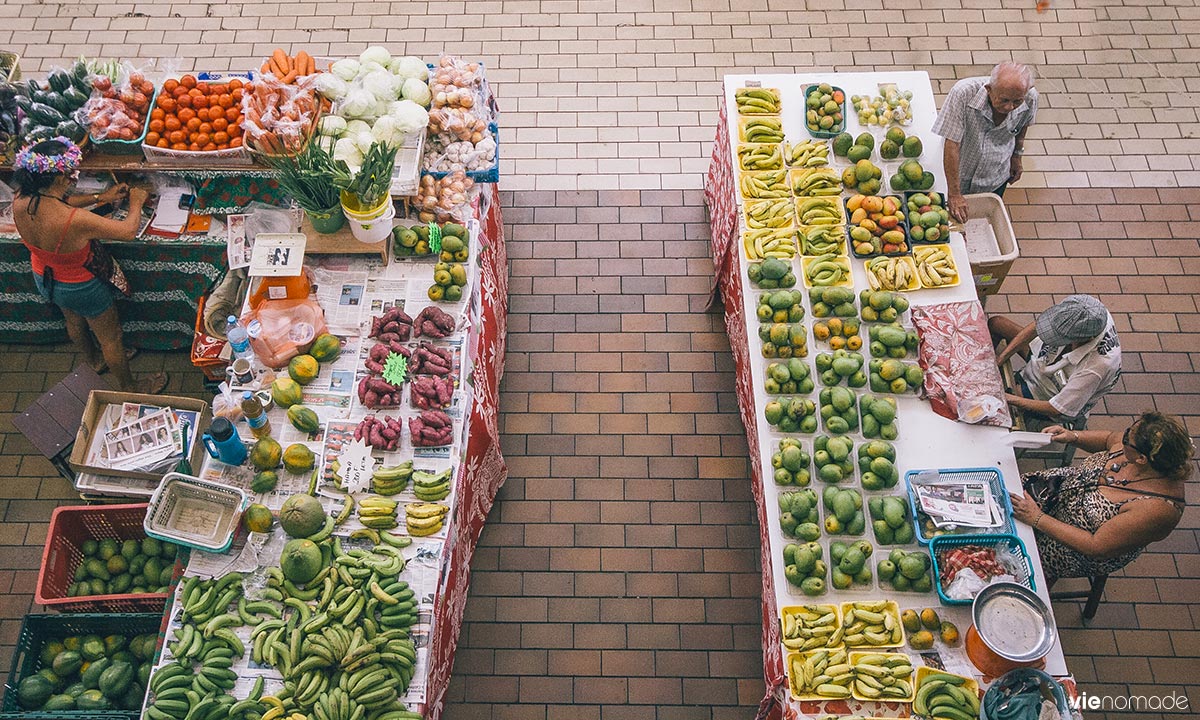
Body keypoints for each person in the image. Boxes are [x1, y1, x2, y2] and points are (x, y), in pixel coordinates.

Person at [12, 138, 166, 393]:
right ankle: (130, 387)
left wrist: (100, 196)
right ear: (58, 178)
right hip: (80, 285)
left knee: (73, 320)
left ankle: (94, 361)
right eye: (70, 174)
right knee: (112, 338)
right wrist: (137, 201)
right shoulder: (73, 221)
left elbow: (57, 203)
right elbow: (128, 231)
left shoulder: (22, 199)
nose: (74, 178)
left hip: (46, 275)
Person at [1010, 412, 1192, 585]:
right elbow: (1109, 439)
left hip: (1069, 546)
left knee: (1010, 559)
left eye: (1128, 438)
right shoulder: (1136, 445)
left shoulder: (1157, 509)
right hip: (1056, 489)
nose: (1124, 437)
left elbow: (1095, 546)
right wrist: (1073, 436)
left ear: (1142, 459)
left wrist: (1037, 519)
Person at [990, 294, 1120, 427]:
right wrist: (1001, 358)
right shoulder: (1089, 309)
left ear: (1086, 338)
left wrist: (1008, 398)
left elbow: (1056, 409)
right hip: (1045, 359)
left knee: (1005, 397)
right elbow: (1038, 325)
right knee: (997, 323)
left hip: (1051, 391)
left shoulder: (1095, 369)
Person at [932, 61, 1038, 221]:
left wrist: (1017, 156)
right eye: (1004, 100)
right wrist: (954, 193)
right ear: (988, 89)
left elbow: (1022, 127)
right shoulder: (963, 93)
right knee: (951, 220)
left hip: (995, 175)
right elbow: (952, 144)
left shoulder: (1030, 97)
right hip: (959, 173)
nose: (1010, 107)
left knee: (982, 218)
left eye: (1017, 101)